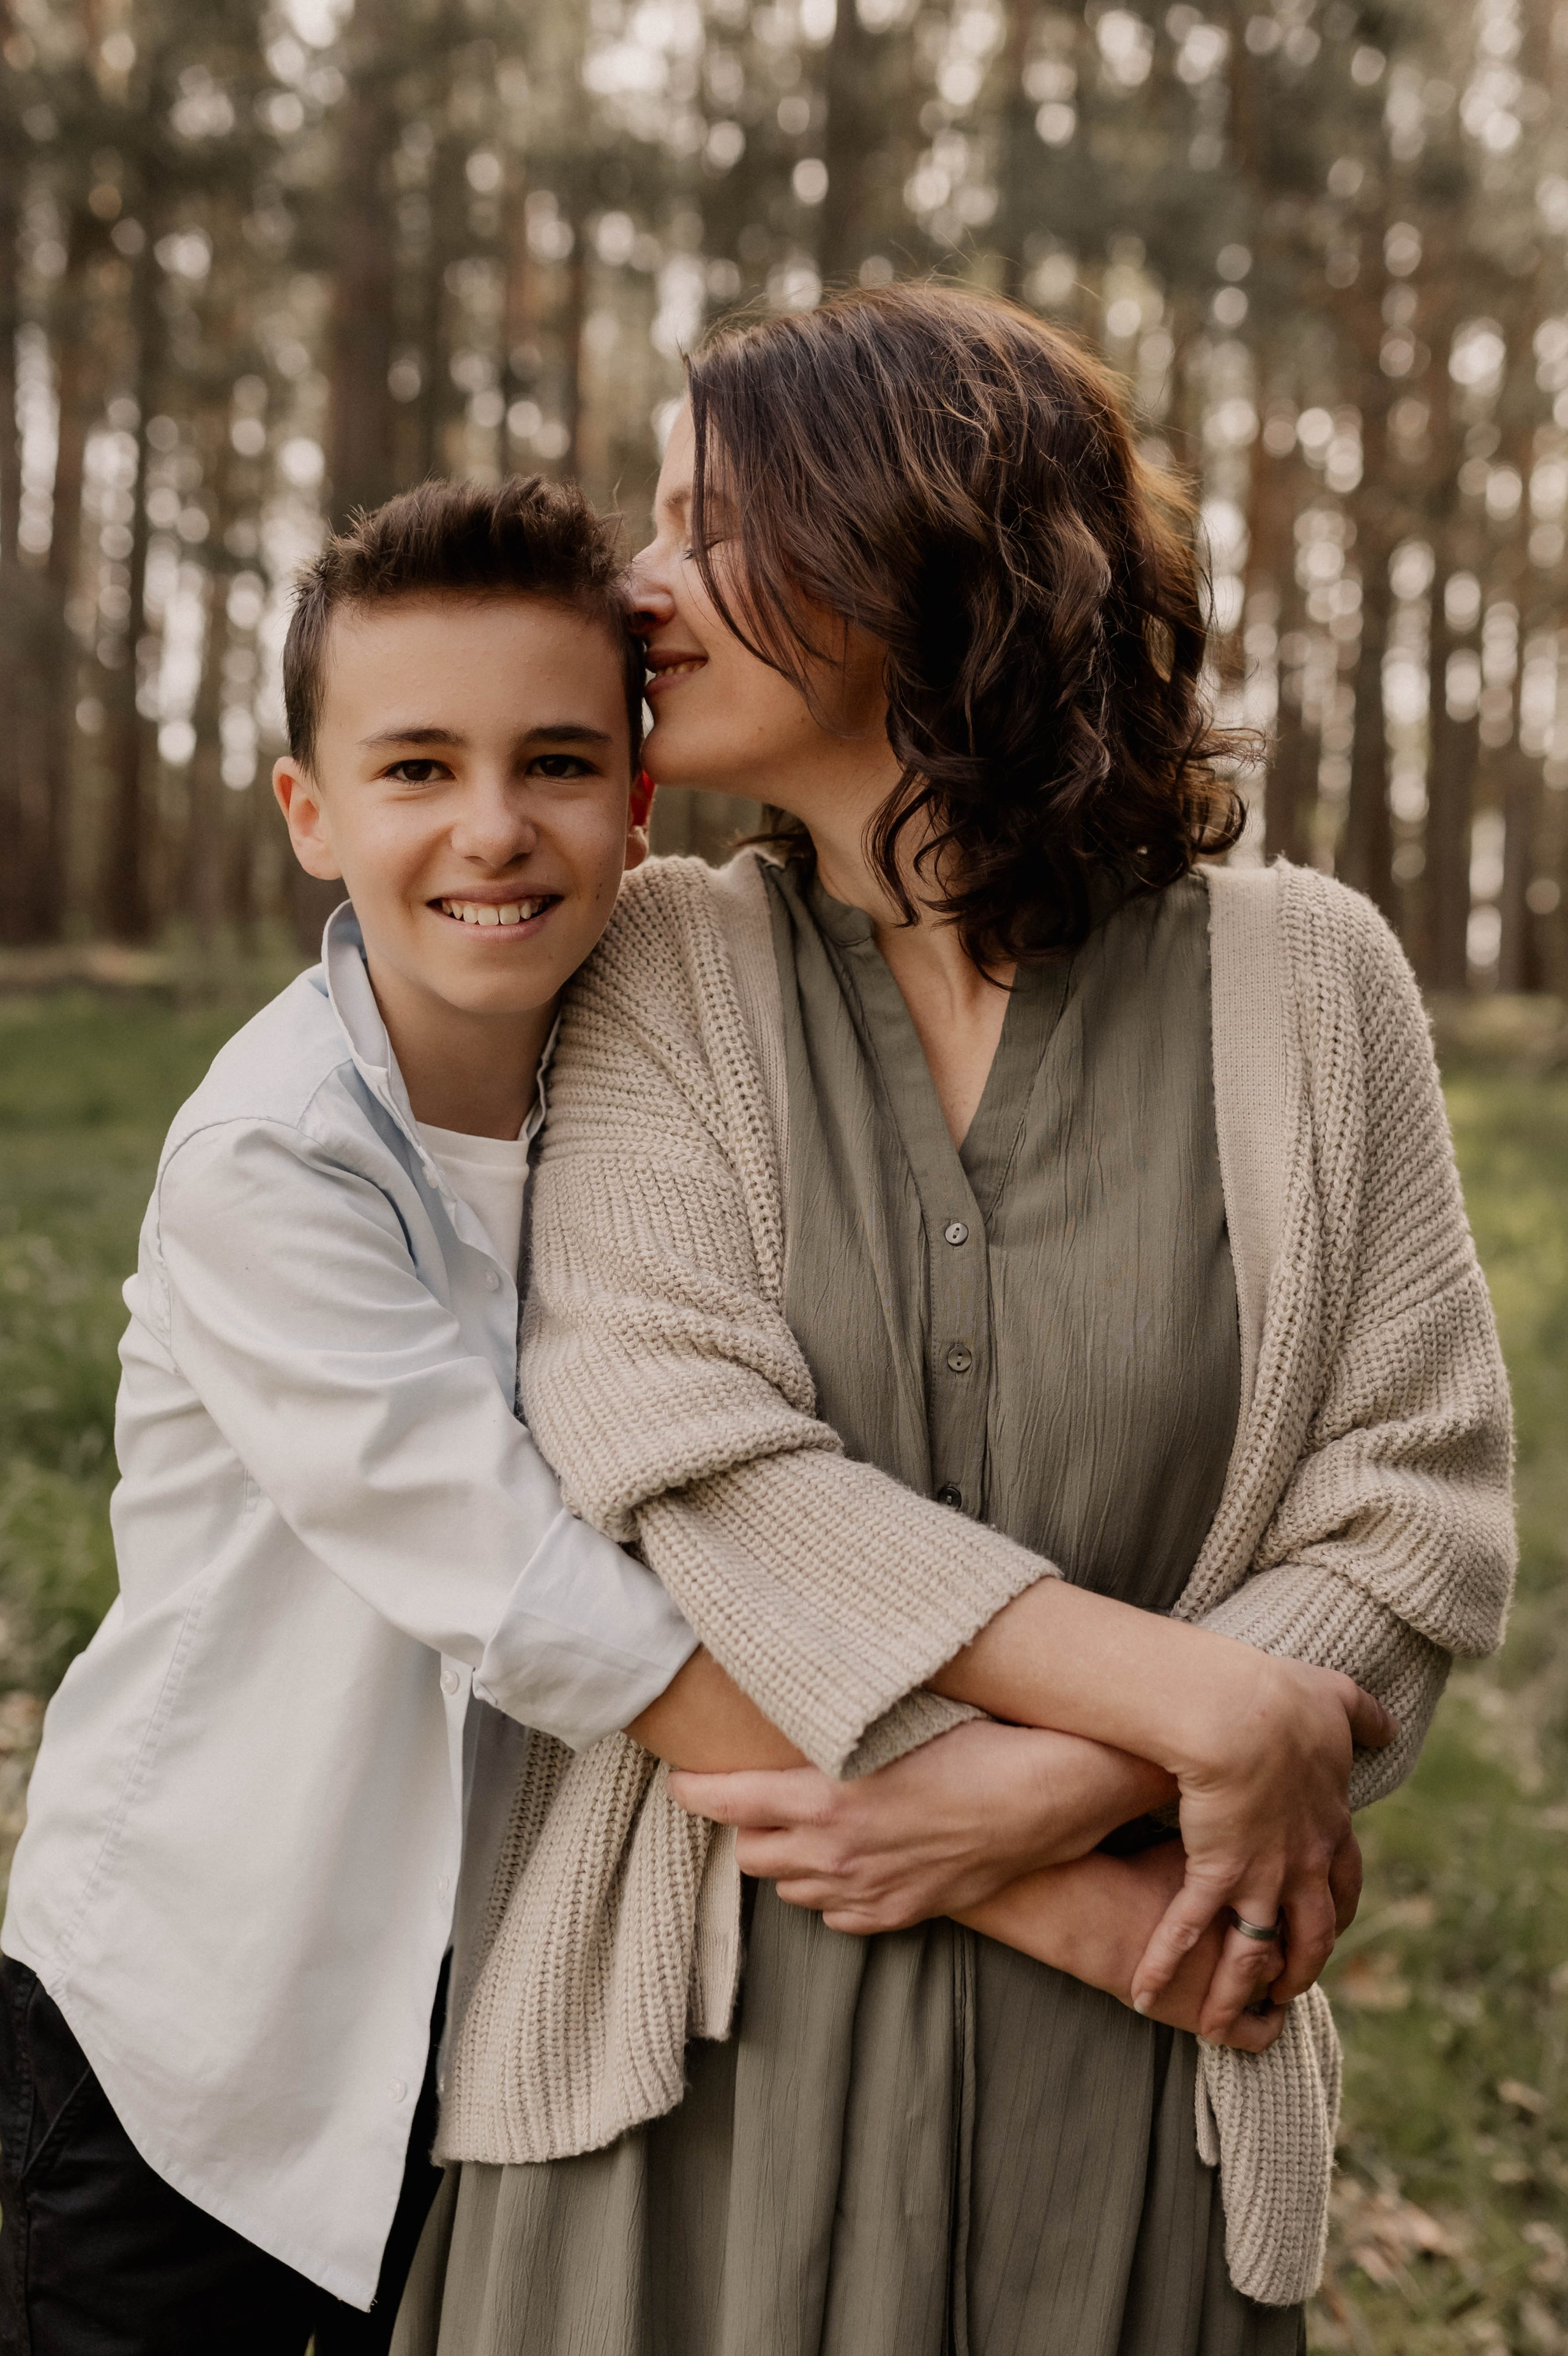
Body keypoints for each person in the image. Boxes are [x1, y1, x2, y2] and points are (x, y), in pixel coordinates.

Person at [399, 289, 1515, 2356]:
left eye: (703, 518)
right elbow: (673, 1454)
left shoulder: (1311, 981)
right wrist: (1198, 1721)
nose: (636, 586)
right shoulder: (654, 963)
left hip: (1136, 2060)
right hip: (689, 2078)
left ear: (917, 551)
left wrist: (1042, 1792)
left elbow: (1410, 1501)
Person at [0, 477, 706, 2354]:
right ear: (313, 812)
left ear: (640, 802)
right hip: (196, 2018)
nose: (492, 826)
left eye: (555, 760)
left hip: (475, 2019)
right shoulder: (277, 1149)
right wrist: (971, 1823)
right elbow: (536, 1596)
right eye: (415, 768)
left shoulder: (664, 1088)